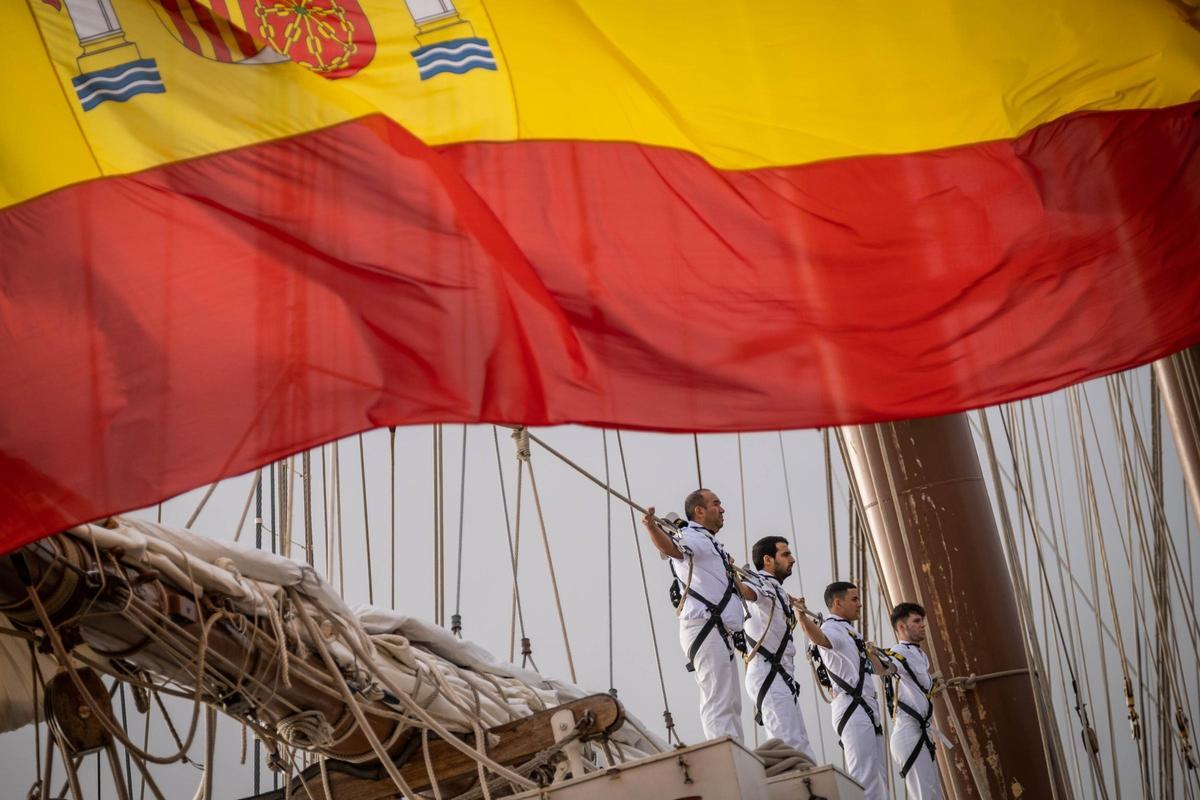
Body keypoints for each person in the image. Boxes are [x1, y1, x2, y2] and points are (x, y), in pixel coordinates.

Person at [643, 488, 756, 741]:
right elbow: (673, 549)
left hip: (719, 630)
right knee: (717, 699)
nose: (723, 508)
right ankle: (726, 755)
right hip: (705, 626)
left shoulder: (710, 542)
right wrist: (652, 528)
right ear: (699, 511)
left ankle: (736, 751)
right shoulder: (693, 536)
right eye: (716, 503)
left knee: (731, 703)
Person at [797, 581, 890, 800]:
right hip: (852, 707)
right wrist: (802, 619)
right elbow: (821, 639)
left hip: (867, 707)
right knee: (864, 776)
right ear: (838, 603)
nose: (859, 604)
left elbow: (878, 670)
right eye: (854, 599)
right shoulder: (832, 627)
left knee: (879, 777)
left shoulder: (851, 632)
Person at [742, 535, 816, 760]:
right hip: (768, 673)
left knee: (801, 745)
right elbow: (746, 592)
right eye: (785, 554)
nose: (792, 559)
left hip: (782, 677)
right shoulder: (759, 583)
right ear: (767, 559)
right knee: (789, 745)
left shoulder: (778, 590)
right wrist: (727, 572)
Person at [886, 602, 943, 800]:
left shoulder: (919, 654)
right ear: (901, 627)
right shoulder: (897, 653)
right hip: (908, 734)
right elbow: (884, 667)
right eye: (916, 621)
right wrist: (872, 656)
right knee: (924, 795)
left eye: (922, 621)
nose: (922, 625)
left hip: (922, 733)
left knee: (934, 794)